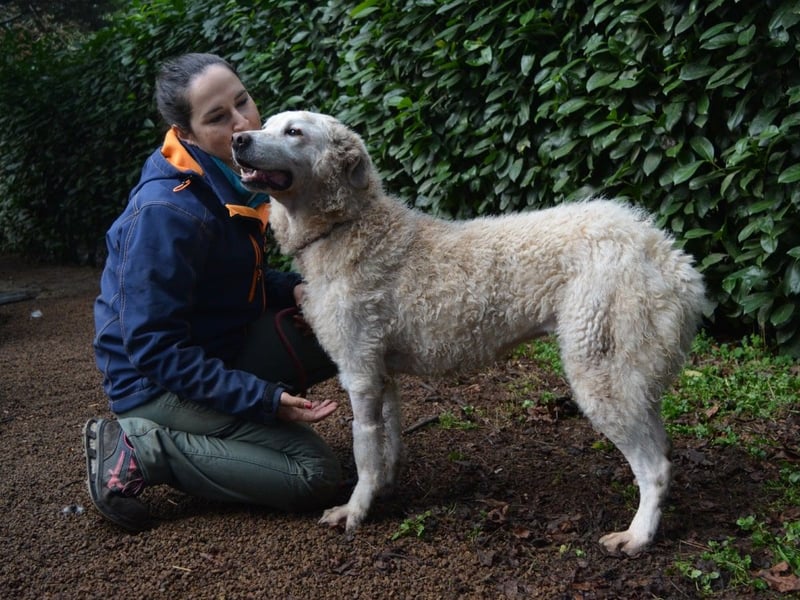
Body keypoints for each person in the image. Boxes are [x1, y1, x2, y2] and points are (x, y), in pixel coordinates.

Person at [83, 53, 342, 532]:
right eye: (218, 118)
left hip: (212, 350)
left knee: (339, 315)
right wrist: (262, 398)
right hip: (153, 384)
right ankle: (143, 449)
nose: (242, 122)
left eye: (243, 101)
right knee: (316, 475)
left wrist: (298, 289)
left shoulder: (232, 175)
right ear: (187, 134)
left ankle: (237, 432)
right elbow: (153, 348)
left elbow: (228, 284)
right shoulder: (168, 213)